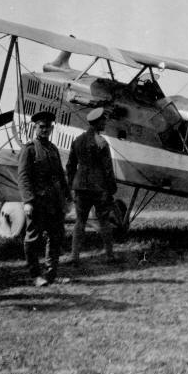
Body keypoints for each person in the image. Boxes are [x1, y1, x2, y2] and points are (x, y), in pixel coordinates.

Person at [17, 111, 71, 287]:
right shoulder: (29, 149)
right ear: (35, 127)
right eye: (41, 126)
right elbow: (23, 177)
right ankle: (35, 275)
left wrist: (67, 197)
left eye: (48, 127)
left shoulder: (53, 149)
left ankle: (51, 274)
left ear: (51, 128)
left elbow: (60, 175)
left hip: (54, 201)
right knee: (33, 238)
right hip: (37, 202)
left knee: (56, 237)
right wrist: (27, 201)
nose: (45, 130)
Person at [67, 107, 118, 265]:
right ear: (97, 123)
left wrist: (71, 185)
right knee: (104, 221)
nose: (105, 123)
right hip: (98, 188)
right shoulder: (102, 142)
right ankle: (109, 255)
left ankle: (74, 256)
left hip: (80, 188)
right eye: (103, 121)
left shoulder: (77, 141)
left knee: (80, 222)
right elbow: (108, 169)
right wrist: (111, 189)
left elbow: (70, 166)